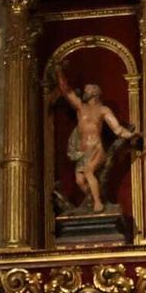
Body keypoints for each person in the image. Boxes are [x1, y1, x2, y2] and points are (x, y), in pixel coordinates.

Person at [56, 71, 136, 212]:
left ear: (95, 93)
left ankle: (98, 203)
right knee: (79, 181)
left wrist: (132, 135)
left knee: (88, 172)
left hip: (97, 149)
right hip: (82, 152)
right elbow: (66, 90)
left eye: (87, 90)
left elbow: (117, 129)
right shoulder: (81, 107)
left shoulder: (103, 110)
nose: (84, 92)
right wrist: (59, 72)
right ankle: (94, 199)